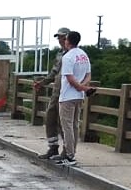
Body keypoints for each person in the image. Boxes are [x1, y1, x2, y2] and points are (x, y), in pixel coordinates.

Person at [51, 31, 91, 167]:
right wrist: (83, 87)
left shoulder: (67, 57)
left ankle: (69, 155)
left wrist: (79, 87)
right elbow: (88, 75)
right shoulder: (83, 55)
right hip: (79, 97)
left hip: (67, 96)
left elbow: (69, 77)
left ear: (68, 41)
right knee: (75, 125)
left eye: (65, 39)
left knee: (67, 126)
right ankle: (72, 152)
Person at [33, 27, 70, 159]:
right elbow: (54, 71)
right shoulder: (60, 54)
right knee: (50, 117)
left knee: (64, 122)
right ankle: (53, 147)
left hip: (68, 92)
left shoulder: (73, 53)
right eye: (59, 37)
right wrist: (42, 82)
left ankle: (67, 151)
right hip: (57, 90)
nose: (60, 40)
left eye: (62, 37)